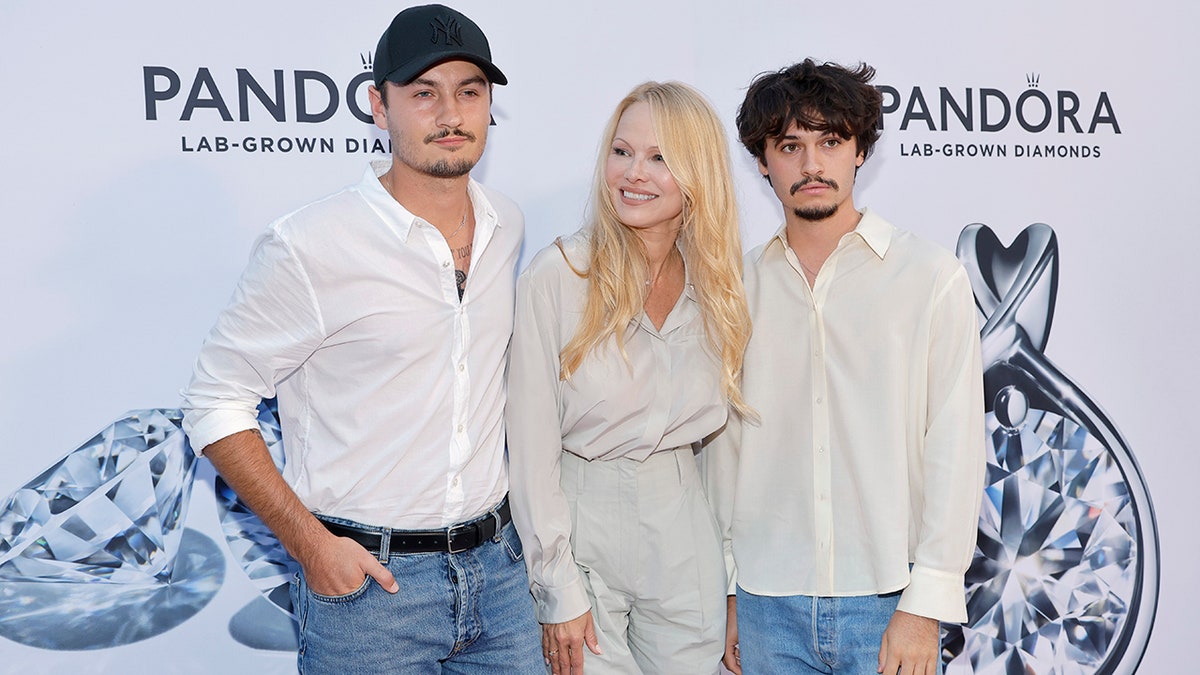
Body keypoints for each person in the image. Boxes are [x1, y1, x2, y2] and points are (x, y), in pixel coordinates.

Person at [180, 5, 543, 672]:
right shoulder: (312, 244)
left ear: (490, 106)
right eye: (423, 93)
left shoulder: (506, 225)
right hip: (371, 596)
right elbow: (214, 402)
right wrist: (310, 545)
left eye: (470, 91)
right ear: (379, 106)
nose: (450, 114)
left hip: (500, 579)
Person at [706, 59, 986, 675]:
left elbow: (956, 448)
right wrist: (728, 589)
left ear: (859, 152)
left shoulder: (930, 278)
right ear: (762, 161)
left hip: (890, 600)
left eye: (830, 142)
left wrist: (926, 602)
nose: (812, 165)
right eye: (790, 146)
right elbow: (724, 454)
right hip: (763, 600)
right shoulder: (735, 288)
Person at [506, 81, 751, 675]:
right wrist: (556, 585)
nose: (633, 173)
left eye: (660, 157)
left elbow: (722, 455)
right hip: (583, 522)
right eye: (622, 151)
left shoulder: (721, 286)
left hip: (685, 530)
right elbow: (530, 451)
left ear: (698, 175)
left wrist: (730, 579)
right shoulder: (560, 276)